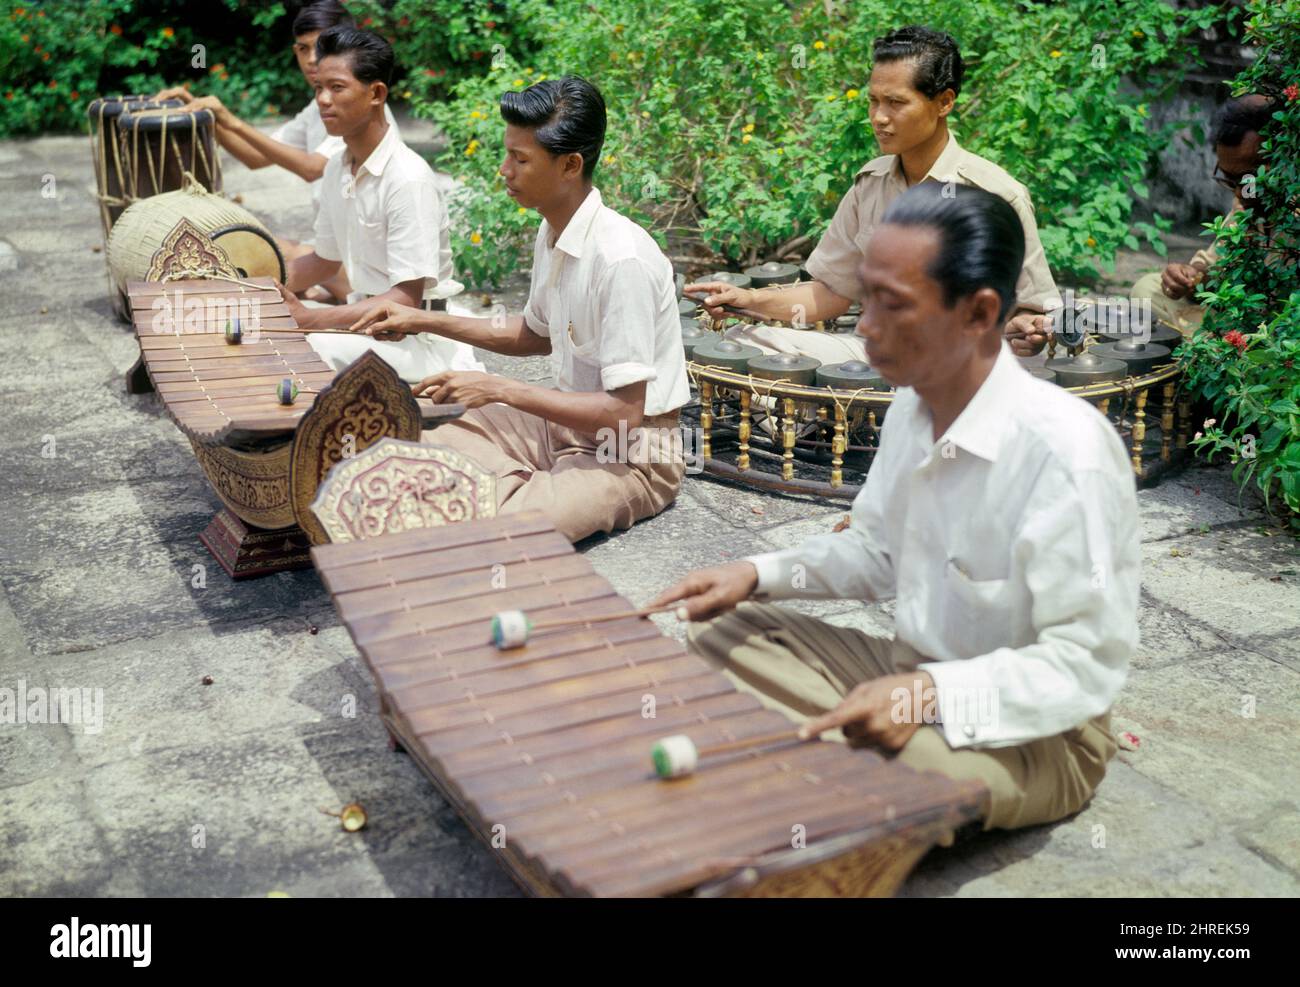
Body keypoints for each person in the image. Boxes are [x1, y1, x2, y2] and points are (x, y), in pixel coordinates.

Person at [654, 183, 1139, 836]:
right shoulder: (913, 404)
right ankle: (840, 762)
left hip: (1039, 734)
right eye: (865, 297)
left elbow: (1084, 665)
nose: (863, 326)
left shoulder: (1066, 452)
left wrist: (932, 697)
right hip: (910, 675)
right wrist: (756, 572)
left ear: (979, 312)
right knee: (724, 628)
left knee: (903, 784)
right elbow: (876, 551)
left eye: (893, 304)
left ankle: (846, 779)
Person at [348, 77, 691, 543]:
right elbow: (532, 334)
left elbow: (622, 415)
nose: (504, 171)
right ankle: (513, 485)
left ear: (570, 165)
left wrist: (498, 388)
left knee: (501, 530)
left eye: (520, 158)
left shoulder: (620, 258)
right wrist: (423, 319)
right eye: (508, 153)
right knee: (405, 443)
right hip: (562, 427)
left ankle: (510, 494)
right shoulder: (552, 231)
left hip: (630, 454)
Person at [687, 26, 1060, 362]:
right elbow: (831, 293)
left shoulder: (996, 194)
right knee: (740, 342)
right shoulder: (871, 184)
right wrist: (749, 301)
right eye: (873, 101)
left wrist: (1028, 329)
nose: (879, 117)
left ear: (945, 102)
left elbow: (1032, 310)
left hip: (961, 369)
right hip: (875, 358)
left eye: (896, 103)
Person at [271, 26, 479, 381]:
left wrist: (308, 320)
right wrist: (261, 288)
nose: (322, 99)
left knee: (304, 348)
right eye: (319, 87)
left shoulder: (407, 179)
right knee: (260, 331)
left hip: (418, 342)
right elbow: (324, 260)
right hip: (362, 325)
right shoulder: (338, 166)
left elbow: (404, 301)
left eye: (337, 88)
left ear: (376, 93)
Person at [156, 1, 399, 303]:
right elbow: (256, 157)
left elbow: (311, 167)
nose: (312, 59)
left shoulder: (360, 114)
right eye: (302, 49)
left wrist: (230, 118)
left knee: (267, 252)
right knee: (252, 248)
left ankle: (325, 294)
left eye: (321, 47)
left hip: (372, 274)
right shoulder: (319, 107)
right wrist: (207, 118)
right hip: (336, 256)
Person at [1129, 94, 1273, 337]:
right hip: (1235, 317)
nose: (1240, 191)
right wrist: (1190, 276)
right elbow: (1214, 268)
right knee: (1147, 290)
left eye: (1249, 177)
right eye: (1230, 179)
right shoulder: (1247, 197)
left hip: (1275, 332)